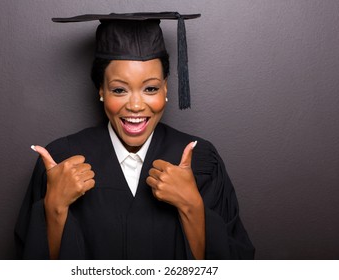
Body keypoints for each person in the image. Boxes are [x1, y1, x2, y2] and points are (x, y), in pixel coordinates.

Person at [15, 12, 255, 260]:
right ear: (101, 90)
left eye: (150, 88)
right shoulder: (61, 162)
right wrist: (54, 208)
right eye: (119, 90)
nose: (136, 105)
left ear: (166, 88)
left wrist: (191, 207)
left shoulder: (202, 161)